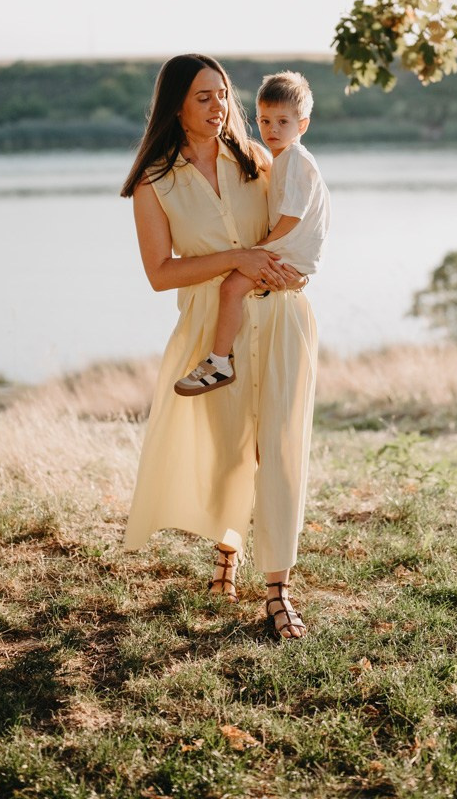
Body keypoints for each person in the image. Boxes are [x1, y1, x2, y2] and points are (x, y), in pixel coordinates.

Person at [120, 54, 317, 638]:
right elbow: (160, 273)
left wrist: (299, 271)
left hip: (282, 318)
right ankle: (227, 552)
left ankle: (278, 589)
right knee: (229, 452)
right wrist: (237, 258)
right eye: (203, 96)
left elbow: (303, 222)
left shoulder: (258, 159)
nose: (218, 106)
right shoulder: (154, 183)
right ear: (176, 104)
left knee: (281, 451)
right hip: (214, 332)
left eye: (223, 94)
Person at [174, 70, 330, 397]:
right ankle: (229, 357)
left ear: (302, 125)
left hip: (290, 250)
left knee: (232, 287)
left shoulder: (296, 161)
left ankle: (219, 361)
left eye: (282, 122)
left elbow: (292, 217)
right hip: (292, 250)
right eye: (264, 121)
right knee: (239, 288)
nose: (271, 130)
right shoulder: (283, 159)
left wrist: (261, 247)